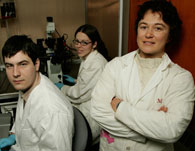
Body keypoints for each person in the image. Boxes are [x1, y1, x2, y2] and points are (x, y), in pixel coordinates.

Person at [90, 0, 195, 151]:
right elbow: (98, 111)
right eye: (143, 26)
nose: (148, 34)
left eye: (158, 28)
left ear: (170, 35)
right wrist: (148, 131)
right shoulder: (115, 66)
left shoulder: (181, 78)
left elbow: (172, 129)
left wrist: (120, 107)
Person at [0, 35, 74, 151]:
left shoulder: (51, 110)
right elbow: (23, 119)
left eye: (23, 64)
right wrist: (14, 135)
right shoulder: (27, 86)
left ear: (36, 64)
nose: (15, 73)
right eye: (9, 66)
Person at [56, 24, 108, 142]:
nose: (79, 46)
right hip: (86, 104)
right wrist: (76, 81)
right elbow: (92, 83)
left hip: (90, 113)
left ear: (94, 44)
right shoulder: (88, 58)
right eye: (77, 41)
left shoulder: (96, 63)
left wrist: (62, 88)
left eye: (84, 43)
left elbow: (80, 94)